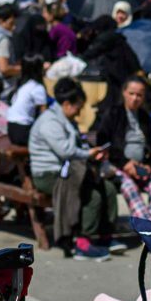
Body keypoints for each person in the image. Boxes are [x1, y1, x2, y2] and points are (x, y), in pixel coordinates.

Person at [28, 77, 120, 261]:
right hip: (49, 175)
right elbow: (66, 151)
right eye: (78, 106)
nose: (79, 111)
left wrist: (93, 152)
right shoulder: (50, 122)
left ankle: (103, 236)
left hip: (68, 171)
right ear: (68, 104)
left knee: (108, 189)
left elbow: (76, 148)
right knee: (91, 196)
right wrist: (89, 153)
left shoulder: (66, 120)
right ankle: (81, 243)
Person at [93, 73, 151, 218]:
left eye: (139, 95)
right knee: (129, 187)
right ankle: (146, 227)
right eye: (131, 94)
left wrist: (149, 166)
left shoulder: (144, 117)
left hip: (140, 167)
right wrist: (126, 163)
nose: (135, 98)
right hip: (118, 167)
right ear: (124, 93)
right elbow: (104, 143)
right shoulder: (113, 113)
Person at [2, 55, 48, 146]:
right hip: (23, 131)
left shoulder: (21, 85)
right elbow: (44, 115)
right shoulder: (37, 87)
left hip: (11, 130)